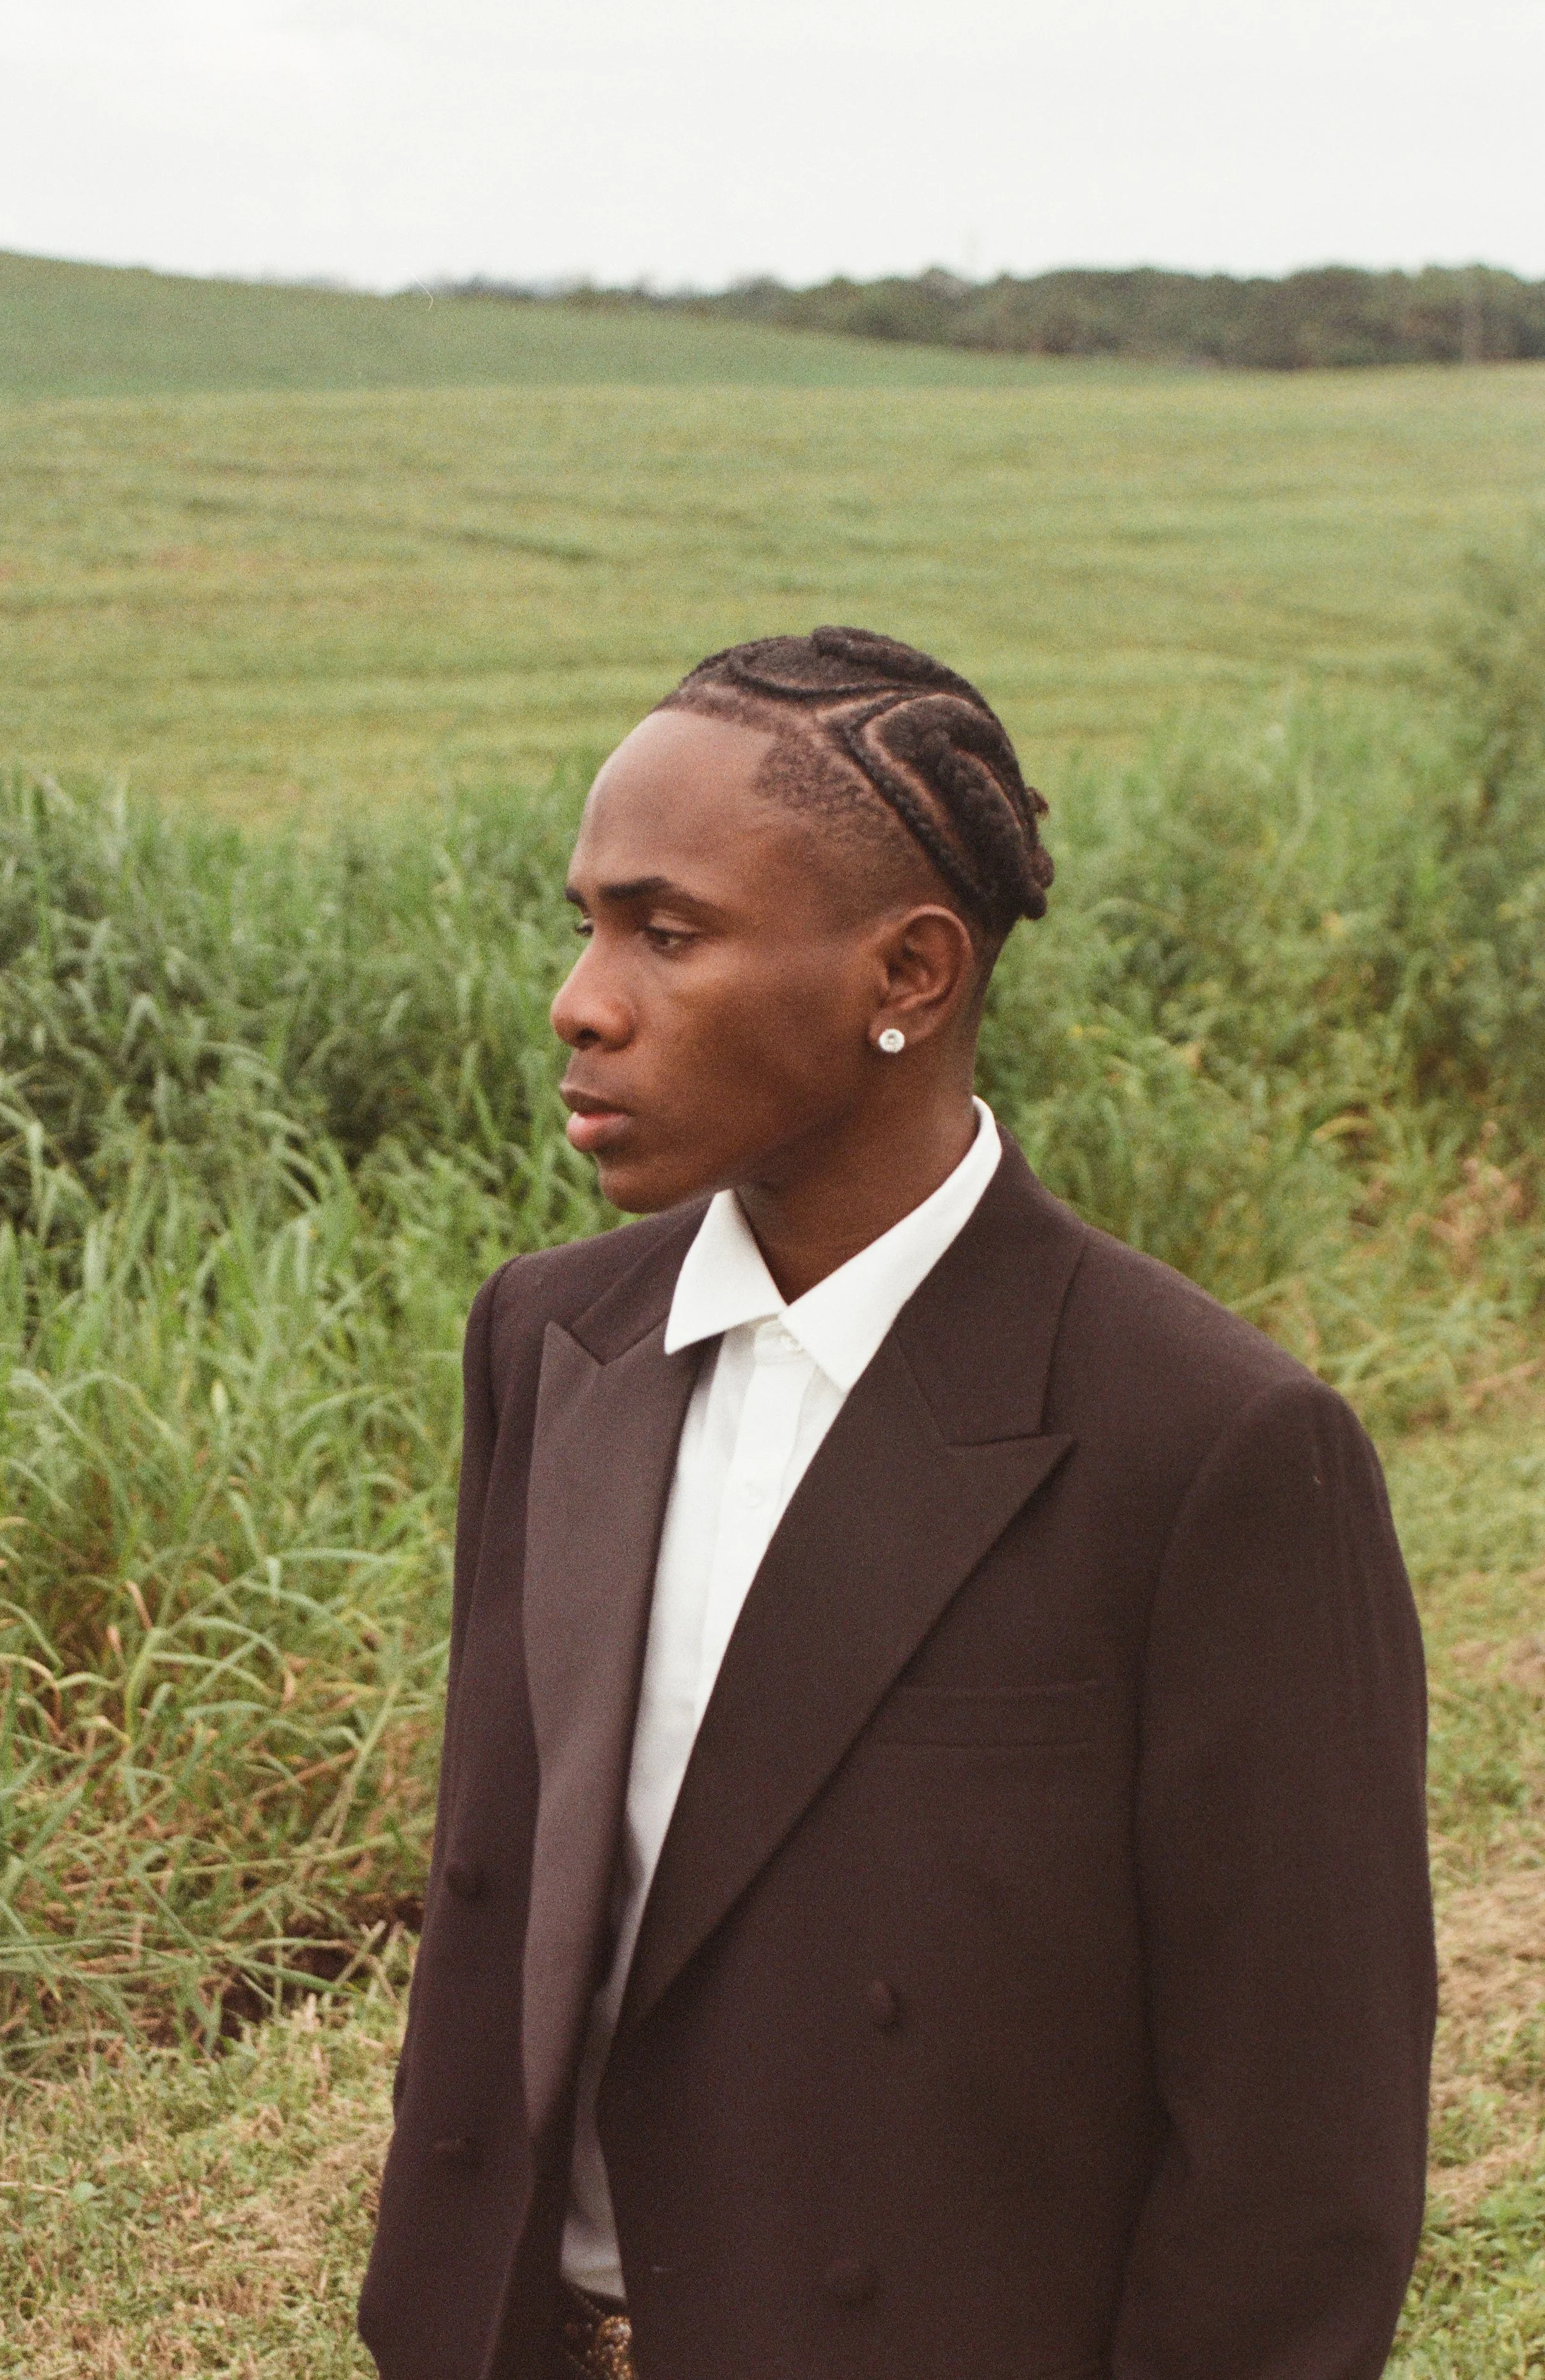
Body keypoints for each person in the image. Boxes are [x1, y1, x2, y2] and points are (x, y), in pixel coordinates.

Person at [358, 628, 1435, 2380]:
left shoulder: (1207, 1447)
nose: (580, 999)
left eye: (666, 932)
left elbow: (1294, 2167)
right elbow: (501, 1920)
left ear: (909, 974)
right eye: (586, 923)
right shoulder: (552, 1342)